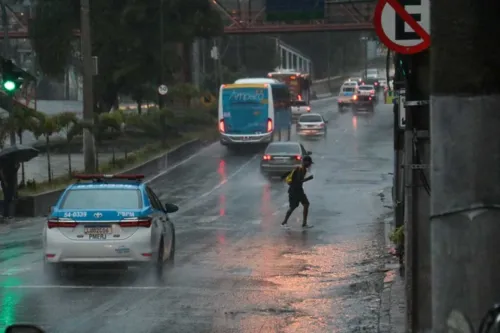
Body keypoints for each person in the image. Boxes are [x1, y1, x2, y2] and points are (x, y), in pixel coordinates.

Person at [280, 155, 314, 228]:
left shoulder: (300, 168)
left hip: (295, 190)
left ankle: (285, 222)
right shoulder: (301, 169)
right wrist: (309, 178)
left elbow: (289, 174)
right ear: (306, 162)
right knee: (304, 204)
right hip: (296, 191)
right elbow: (298, 181)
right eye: (309, 163)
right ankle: (302, 223)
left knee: (296, 206)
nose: (310, 165)